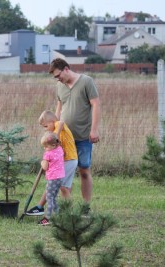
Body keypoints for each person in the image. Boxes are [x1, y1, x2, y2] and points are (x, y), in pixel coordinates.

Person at [50, 58, 101, 204]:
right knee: (64, 174)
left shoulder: (86, 81)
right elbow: (59, 109)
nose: (57, 79)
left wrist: (94, 130)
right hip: (65, 138)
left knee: (84, 171)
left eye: (58, 75)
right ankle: (67, 208)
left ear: (66, 69)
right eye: (55, 77)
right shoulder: (60, 86)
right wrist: (54, 132)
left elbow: (96, 104)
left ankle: (86, 206)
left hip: (83, 136)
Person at [26, 110, 78, 216]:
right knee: (62, 187)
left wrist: (55, 135)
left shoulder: (57, 124)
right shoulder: (53, 132)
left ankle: (71, 212)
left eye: (45, 126)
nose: (45, 129)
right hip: (69, 160)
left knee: (61, 186)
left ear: (52, 121)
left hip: (69, 160)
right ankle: (63, 210)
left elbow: (61, 122)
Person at [37, 131, 65, 226]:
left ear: (53, 144)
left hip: (52, 178)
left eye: (46, 147)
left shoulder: (48, 154)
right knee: (54, 198)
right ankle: (59, 215)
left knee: (49, 198)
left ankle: (47, 218)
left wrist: (42, 162)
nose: (45, 149)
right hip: (60, 177)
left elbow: (45, 167)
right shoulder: (60, 149)